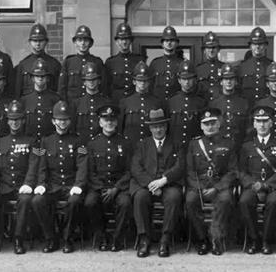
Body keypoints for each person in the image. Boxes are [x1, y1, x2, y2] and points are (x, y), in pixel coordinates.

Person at [31, 101, 87, 254]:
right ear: (53, 121)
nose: (62, 123)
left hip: (71, 185)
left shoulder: (79, 141)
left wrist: (78, 185)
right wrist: (41, 184)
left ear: (70, 121)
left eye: (66, 119)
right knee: (37, 201)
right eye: (59, 119)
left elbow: (82, 166)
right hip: (53, 185)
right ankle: (51, 238)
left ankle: (68, 238)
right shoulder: (46, 141)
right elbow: (42, 166)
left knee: (74, 201)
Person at [0, 100, 38, 255]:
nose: (15, 123)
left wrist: (28, 183)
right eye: (12, 119)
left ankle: (18, 239)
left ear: (23, 120)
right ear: (7, 121)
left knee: (25, 200)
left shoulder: (32, 141)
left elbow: (33, 165)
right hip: (4, 185)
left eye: (18, 119)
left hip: (22, 185)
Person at [131, 108, 184, 258]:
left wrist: (163, 180)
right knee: (140, 197)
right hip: (147, 185)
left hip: (168, 183)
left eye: (161, 126)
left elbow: (180, 166)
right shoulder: (142, 144)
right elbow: (136, 167)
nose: (158, 130)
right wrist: (151, 184)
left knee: (174, 197)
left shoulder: (176, 143)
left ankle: (165, 240)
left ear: (166, 127)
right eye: (155, 127)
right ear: (150, 128)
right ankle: (144, 240)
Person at [185, 108, 238, 256]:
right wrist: (200, 187)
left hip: (220, 184)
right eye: (206, 124)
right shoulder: (194, 144)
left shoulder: (228, 143)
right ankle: (202, 239)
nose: (210, 127)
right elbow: (190, 171)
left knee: (225, 199)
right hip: (199, 185)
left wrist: (217, 187)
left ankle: (216, 239)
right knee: (190, 201)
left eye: (213, 123)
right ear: (201, 126)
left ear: (219, 124)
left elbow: (233, 171)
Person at [238, 106, 276, 255]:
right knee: (244, 201)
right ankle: (254, 240)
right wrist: (253, 184)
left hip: (274, 187)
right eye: (259, 121)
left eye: (265, 121)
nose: (262, 125)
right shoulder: (247, 146)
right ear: (254, 124)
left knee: (273, 202)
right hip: (253, 186)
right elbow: (241, 171)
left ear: (271, 123)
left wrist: (266, 185)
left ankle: (267, 240)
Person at [85, 104, 132, 251]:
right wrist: (101, 189)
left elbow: (129, 171)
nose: (109, 123)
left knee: (125, 203)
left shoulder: (126, 143)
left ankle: (117, 239)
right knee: (90, 203)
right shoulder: (92, 144)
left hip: (119, 187)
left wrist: (116, 188)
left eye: (112, 120)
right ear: (100, 122)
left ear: (117, 122)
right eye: (106, 120)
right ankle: (102, 236)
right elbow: (90, 172)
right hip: (99, 187)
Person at [59, 25, 105, 106]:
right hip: (72, 105)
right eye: (80, 40)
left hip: (93, 104)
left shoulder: (97, 62)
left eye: (86, 40)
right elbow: (62, 88)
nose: (83, 43)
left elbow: (104, 87)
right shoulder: (69, 62)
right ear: (75, 42)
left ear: (90, 43)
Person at [166, 59, 206, 153]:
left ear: (195, 80)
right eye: (184, 79)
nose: (187, 82)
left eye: (189, 79)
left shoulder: (201, 102)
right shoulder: (171, 102)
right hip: (175, 148)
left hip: (195, 148)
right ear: (179, 80)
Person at [119, 61, 162, 146]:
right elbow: (120, 128)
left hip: (150, 146)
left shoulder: (157, 102)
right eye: (139, 80)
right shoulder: (125, 102)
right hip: (130, 145)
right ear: (134, 81)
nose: (142, 83)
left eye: (145, 80)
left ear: (149, 82)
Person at [209, 63, 251, 149]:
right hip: (218, 146)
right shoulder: (213, 104)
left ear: (236, 82)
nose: (229, 82)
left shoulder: (244, 103)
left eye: (231, 79)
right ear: (221, 82)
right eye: (225, 79)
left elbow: (249, 128)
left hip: (240, 146)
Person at [20, 58, 61, 142]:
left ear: (48, 78)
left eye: (43, 76)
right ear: (32, 78)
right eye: (37, 76)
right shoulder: (24, 100)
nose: (40, 78)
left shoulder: (56, 99)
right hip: (30, 141)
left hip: (49, 142)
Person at [15, 23, 62, 97]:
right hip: (28, 102)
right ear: (30, 42)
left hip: (48, 101)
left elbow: (59, 90)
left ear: (46, 42)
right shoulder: (23, 65)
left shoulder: (54, 64)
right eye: (35, 40)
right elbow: (17, 91)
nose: (38, 44)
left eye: (41, 40)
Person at [104, 22, 145, 103]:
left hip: (134, 102)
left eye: (126, 39)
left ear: (130, 41)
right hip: (116, 102)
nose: (124, 42)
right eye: (121, 39)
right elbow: (106, 87)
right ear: (117, 42)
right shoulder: (110, 62)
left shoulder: (139, 61)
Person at [73, 62, 111, 143]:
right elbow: (73, 128)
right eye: (88, 80)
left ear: (99, 81)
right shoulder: (76, 103)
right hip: (82, 144)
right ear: (84, 82)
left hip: (101, 144)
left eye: (94, 79)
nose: (91, 82)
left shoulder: (107, 102)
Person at [238, 27, 273, 104]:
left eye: (260, 44)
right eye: (254, 44)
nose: (257, 47)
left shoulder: (271, 66)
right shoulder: (242, 67)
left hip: (267, 106)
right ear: (250, 46)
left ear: (266, 46)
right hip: (247, 107)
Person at [149, 26, 184, 100]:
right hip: (158, 103)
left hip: (176, 103)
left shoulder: (182, 63)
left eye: (172, 40)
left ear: (177, 43)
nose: (169, 43)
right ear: (162, 44)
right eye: (166, 40)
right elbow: (149, 86)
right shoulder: (155, 63)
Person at [195, 31, 224, 102]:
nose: (211, 50)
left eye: (214, 47)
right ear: (204, 50)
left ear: (218, 49)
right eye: (208, 48)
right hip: (203, 104)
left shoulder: (224, 68)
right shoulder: (197, 69)